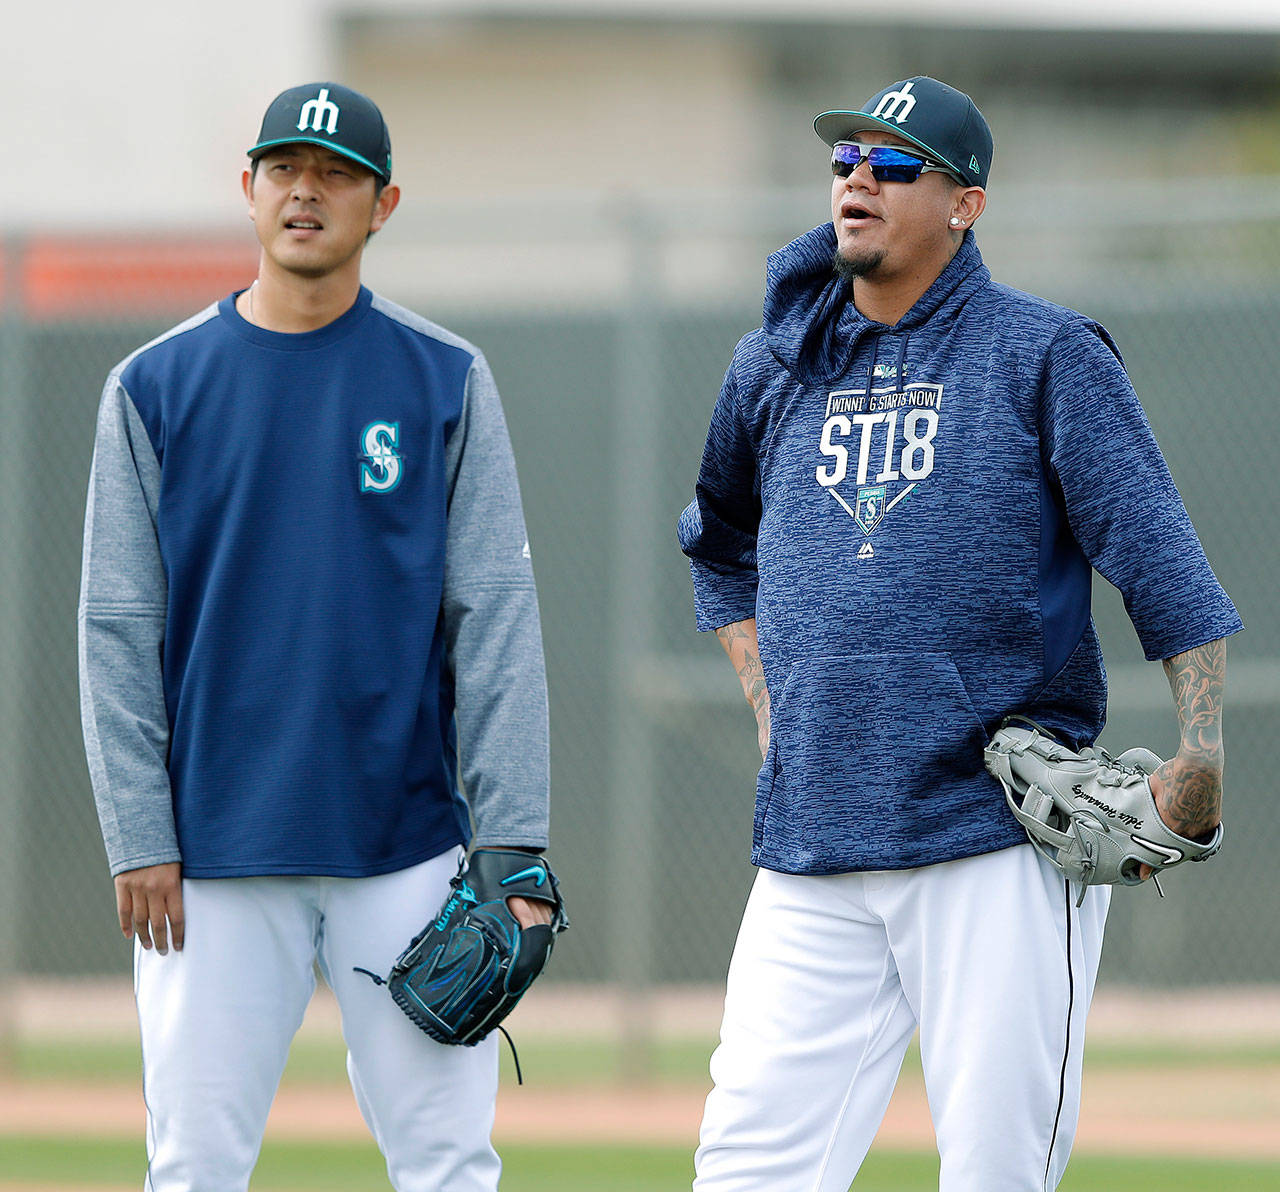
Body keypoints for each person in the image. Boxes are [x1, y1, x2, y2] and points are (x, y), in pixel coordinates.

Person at [677, 75, 1242, 1190]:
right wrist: (766, 706)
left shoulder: (1044, 352)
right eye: (845, 160)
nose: (857, 180)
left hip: (991, 832)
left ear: (964, 205)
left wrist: (1202, 757)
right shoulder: (772, 365)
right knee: (742, 1169)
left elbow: (1161, 563)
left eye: (893, 165)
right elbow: (715, 544)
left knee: (993, 1170)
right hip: (811, 839)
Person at [78, 82, 553, 1191]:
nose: (307, 190)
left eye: (338, 174)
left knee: (448, 1164)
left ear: (383, 205)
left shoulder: (444, 376)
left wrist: (513, 841)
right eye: (286, 168)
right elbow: (116, 628)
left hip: (406, 846)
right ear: (247, 189)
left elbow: (494, 617)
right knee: (194, 1165)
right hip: (211, 852)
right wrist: (138, 832)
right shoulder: (152, 385)